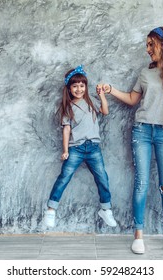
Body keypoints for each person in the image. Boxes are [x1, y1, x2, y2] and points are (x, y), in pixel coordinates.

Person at [97, 27, 163, 254]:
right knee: (141, 184)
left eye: (151, 45)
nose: (147, 50)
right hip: (142, 132)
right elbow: (131, 99)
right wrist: (111, 90)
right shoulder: (145, 73)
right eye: (146, 45)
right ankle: (138, 235)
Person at [43, 65, 117, 228]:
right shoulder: (67, 108)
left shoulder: (91, 101)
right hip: (76, 149)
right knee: (64, 177)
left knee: (102, 178)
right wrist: (65, 150)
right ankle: (50, 210)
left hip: (93, 148)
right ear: (69, 89)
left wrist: (102, 95)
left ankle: (106, 209)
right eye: (75, 86)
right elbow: (66, 130)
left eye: (82, 85)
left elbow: (105, 111)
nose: (79, 89)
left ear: (85, 86)